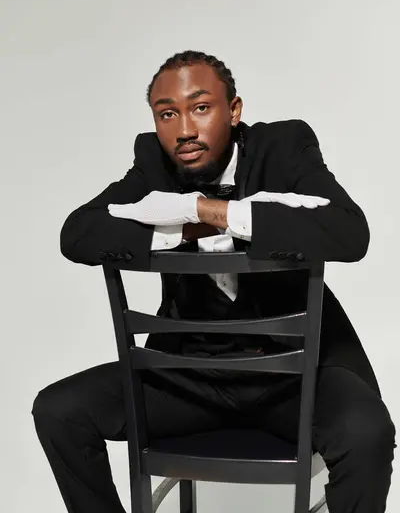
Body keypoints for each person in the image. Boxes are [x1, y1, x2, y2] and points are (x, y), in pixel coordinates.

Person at [32, 50, 396, 513]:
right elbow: (79, 232)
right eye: (168, 114)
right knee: (59, 411)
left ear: (235, 110)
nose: (184, 129)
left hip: (296, 378)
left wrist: (218, 212)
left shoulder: (284, 146)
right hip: (190, 377)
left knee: (367, 433)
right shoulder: (154, 162)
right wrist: (185, 225)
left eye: (200, 107)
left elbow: (349, 231)